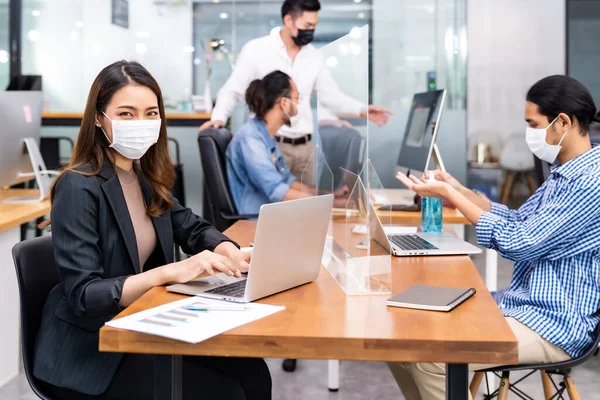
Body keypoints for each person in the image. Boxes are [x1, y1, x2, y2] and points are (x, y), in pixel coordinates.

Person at [34, 60, 272, 400]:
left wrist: (227, 250)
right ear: (100, 118)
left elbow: (190, 227)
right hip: (90, 349)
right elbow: (85, 295)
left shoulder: (144, 176)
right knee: (227, 391)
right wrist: (169, 272)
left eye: (151, 113)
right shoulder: (79, 186)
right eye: (127, 114)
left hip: (139, 324)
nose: (142, 123)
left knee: (253, 374)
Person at [393, 74, 600, 399]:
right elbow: (516, 220)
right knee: (403, 338)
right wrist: (457, 189)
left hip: (554, 323)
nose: (529, 134)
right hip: (524, 305)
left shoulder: (588, 182)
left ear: (562, 123)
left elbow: (520, 243)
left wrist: (450, 193)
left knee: (432, 357)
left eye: (533, 124)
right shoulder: (564, 173)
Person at [200, 0, 392, 185]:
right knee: (275, 204)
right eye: (307, 25)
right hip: (270, 144)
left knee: (308, 209)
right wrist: (219, 118)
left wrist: (363, 109)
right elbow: (233, 89)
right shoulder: (257, 49)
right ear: (288, 20)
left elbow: (331, 96)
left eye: (314, 26)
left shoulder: (314, 56)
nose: (311, 31)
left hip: (305, 149)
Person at [227, 70, 345, 215]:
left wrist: (328, 195)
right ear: (284, 103)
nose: (298, 105)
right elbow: (277, 191)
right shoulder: (250, 139)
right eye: (296, 99)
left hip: (276, 214)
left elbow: (287, 181)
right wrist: (333, 204)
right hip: (256, 221)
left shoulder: (266, 136)